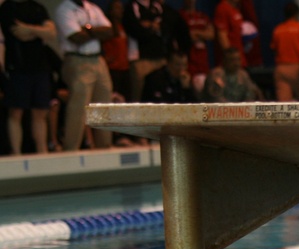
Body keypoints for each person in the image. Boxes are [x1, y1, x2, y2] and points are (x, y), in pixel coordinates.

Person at [54, 0, 114, 152]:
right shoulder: (64, 9)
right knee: (79, 107)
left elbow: (110, 31)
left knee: (104, 105)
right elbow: (76, 37)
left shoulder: (92, 7)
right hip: (78, 60)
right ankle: (71, 149)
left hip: (98, 60)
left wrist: (87, 29)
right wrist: (96, 31)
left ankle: (104, 147)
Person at [0, 0, 59, 155]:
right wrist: (40, 30)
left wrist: (29, 28)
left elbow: (52, 33)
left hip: (40, 66)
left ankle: (42, 150)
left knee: (40, 111)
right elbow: (19, 34)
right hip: (18, 66)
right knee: (16, 111)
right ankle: (17, 152)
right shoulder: (8, 7)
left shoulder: (37, 8)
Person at [123, 0, 190, 101]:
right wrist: (152, 27)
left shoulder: (157, 7)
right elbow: (135, 30)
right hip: (142, 59)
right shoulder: (132, 7)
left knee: (165, 93)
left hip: (161, 58)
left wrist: (150, 26)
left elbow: (169, 27)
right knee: (140, 97)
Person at [271, 1, 299, 101]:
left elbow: (274, 49)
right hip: (298, 69)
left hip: (281, 68)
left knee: (284, 105)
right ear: (297, 14)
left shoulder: (278, 30)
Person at [179, 0, 212, 94]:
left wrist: (197, 33)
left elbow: (211, 34)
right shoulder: (180, 16)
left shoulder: (202, 16)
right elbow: (187, 35)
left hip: (203, 62)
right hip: (189, 61)